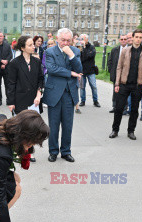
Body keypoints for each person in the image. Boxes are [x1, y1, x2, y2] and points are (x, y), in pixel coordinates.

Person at [43, 28, 83, 162]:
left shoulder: (75, 51)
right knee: (53, 125)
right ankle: (53, 151)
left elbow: (79, 69)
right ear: (57, 40)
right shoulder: (49, 51)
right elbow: (52, 69)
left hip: (69, 93)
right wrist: (70, 73)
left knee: (67, 125)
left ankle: (66, 151)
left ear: (72, 40)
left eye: (68, 40)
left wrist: (71, 55)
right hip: (54, 92)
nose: (65, 43)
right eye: (63, 40)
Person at [109, 29, 142, 141]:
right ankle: (115, 130)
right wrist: (117, 83)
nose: (138, 39)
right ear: (132, 38)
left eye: (140, 37)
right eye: (136, 37)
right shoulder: (125, 51)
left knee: (134, 109)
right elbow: (119, 67)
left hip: (137, 85)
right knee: (118, 108)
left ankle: (131, 131)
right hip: (124, 84)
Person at [7, 36, 44, 115]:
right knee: (21, 126)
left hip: (35, 101)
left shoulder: (37, 61)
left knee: (34, 126)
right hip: (20, 101)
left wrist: (39, 95)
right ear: (22, 48)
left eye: (33, 44)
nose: (33, 47)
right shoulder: (14, 63)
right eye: (30, 45)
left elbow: (41, 80)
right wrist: (10, 102)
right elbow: (11, 84)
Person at [79, 34, 100, 107]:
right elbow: (81, 59)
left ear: (87, 39)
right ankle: (83, 100)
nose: (82, 40)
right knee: (82, 87)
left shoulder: (92, 47)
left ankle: (95, 100)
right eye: (81, 39)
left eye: (83, 39)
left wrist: (84, 48)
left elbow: (90, 56)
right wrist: (83, 49)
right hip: (82, 71)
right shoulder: (79, 48)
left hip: (91, 71)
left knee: (93, 86)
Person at [108, 35, 127, 112]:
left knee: (124, 91)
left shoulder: (129, 50)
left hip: (125, 74)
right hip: (116, 73)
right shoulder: (114, 50)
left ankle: (124, 107)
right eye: (121, 39)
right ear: (119, 40)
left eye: (125, 39)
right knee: (115, 90)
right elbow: (110, 61)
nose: (123, 40)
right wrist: (111, 70)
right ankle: (115, 106)